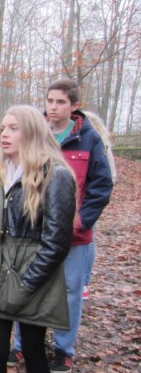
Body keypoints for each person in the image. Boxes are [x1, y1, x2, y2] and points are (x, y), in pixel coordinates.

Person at [8, 80, 113, 373]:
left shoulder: (88, 139)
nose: (53, 107)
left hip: (75, 237)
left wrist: (82, 220)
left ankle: (64, 349)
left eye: (61, 102)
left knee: (69, 291)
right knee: (27, 282)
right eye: (50, 101)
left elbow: (102, 186)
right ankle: (20, 344)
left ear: (74, 106)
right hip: (33, 232)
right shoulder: (34, 134)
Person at [0, 105, 77, 373]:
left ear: (32, 131)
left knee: (34, 350)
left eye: (13, 128)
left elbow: (57, 242)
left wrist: (27, 282)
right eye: (2, 128)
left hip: (34, 273)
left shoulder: (56, 175)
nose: (4, 134)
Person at [82, 111, 117, 299]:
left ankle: (84, 282)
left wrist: (91, 202)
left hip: (88, 203)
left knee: (88, 238)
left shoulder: (98, 144)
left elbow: (108, 176)